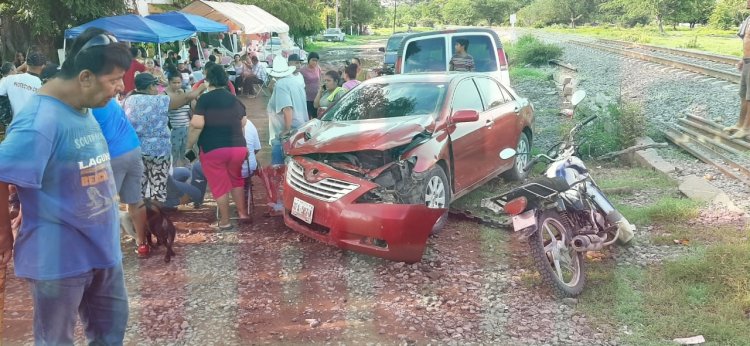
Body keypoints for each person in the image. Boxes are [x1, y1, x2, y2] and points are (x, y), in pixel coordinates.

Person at [0, 27, 130, 345]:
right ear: (85, 77)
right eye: (113, 79)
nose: (120, 87)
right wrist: (4, 233)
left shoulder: (84, 106)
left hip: (103, 250)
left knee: (110, 335)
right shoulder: (39, 121)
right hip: (59, 261)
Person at [122, 73, 205, 206]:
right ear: (150, 86)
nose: (158, 88)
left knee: (143, 190)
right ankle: (157, 217)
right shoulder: (160, 101)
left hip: (136, 151)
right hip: (158, 154)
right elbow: (187, 97)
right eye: (156, 85)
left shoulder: (129, 100)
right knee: (158, 193)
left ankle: (145, 211)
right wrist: (201, 88)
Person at [185, 64, 249, 230]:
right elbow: (243, 122)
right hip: (237, 148)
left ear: (208, 80)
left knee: (219, 185)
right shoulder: (235, 99)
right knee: (236, 180)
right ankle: (242, 214)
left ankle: (225, 221)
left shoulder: (205, 99)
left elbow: (197, 125)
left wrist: (189, 146)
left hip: (213, 148)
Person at [92, 98, 149, 258]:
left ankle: (112, 251)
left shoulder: (88, 104)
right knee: (136, 200)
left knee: (107, 205)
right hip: (133, 148)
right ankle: (142, 243)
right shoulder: (109, 99)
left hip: (113, 155)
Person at [266, 55, 308, 165]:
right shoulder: (294, 82)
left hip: (288, 133)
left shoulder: (281, 85)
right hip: (299, 129)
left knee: (279, 168)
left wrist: (286, 129)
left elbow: (287, 108)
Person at [0, 50, 45, 115]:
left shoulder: (8, 79)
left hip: (13, 123)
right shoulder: (43, 87)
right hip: (32, 123)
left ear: (26, 63)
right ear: (43, 66)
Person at [729, 11, 750, 140]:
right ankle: (740, 124)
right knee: (743, 94)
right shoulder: (748, 18)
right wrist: (743, 59)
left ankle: (747, 128)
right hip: (747, 60)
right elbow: (747, 41)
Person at [165, 69, 192, 167]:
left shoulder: (186, 92)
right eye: (174, 83)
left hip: (187, 127)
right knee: (174, 150)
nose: (177, 85)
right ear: (169, 82)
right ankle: (174, 169)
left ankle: (189, 168)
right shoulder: (165, 95)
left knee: (188, 149)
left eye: (179, 82)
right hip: (174, 129)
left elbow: (190, 108)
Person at [300, 52, 322, 119]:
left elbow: (320, 80)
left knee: (317, 116)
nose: (315, 62)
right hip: (307, 97)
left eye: (316, 61)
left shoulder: (318, 68)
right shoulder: (302, 70)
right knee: (308, 117)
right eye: (313, 60)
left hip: (317, 96)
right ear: (308, 59)